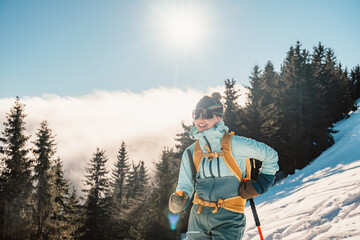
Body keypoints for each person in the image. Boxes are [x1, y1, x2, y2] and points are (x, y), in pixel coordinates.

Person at [169, 92, 279, 240]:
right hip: (198, 219)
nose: (200, 119)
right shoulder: (191, 152)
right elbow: (185, 184)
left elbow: (270, 155)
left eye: (206, 114)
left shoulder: (235, 144)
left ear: (218, 117)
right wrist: (180, 198)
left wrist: (261, 184)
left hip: (229, 218)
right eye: (196, 114)